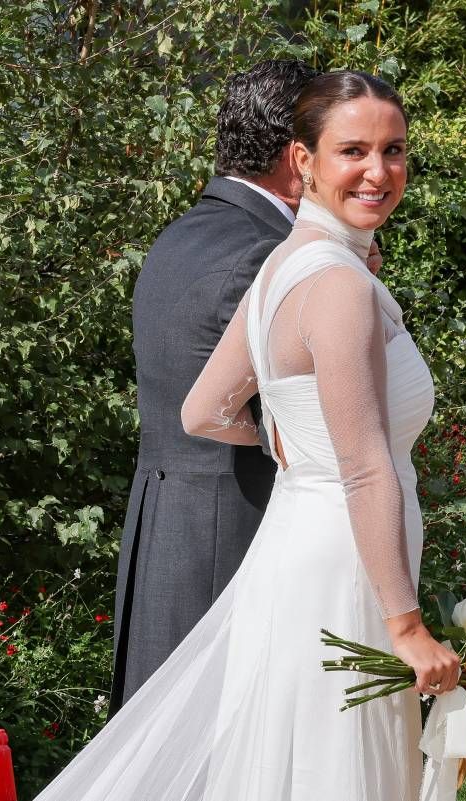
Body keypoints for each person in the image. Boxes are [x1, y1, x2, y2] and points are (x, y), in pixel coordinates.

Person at [36, 71, 458, 800]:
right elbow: (364, 470)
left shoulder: (284, 266)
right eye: (353, 150)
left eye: (395, 150)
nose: (379, 170)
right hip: (345, 563)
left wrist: (288, 443)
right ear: (303, 161)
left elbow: (202, 411)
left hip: (293, 545)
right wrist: (409, 625)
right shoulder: (338, 284)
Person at [110, 59, 326, 715]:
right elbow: (301, 421)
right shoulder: (271, 253)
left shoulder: (179, 238)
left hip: (164, 531)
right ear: (297, 157)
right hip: (236, 536)